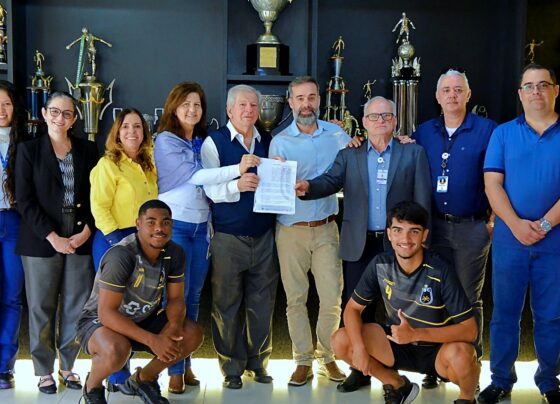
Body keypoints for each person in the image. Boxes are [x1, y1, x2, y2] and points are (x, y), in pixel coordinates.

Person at [296, 95, 431, 392]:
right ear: (364, 122)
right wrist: (307, 187)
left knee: (399, 310)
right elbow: (329, 181)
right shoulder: (350, 154)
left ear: (395, 120)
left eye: (386, 116)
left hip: (400, 246)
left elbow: (422, 201)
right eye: (373, 116)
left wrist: (421, 241)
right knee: (358, 309)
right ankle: (360, 370)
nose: (380, 121)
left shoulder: (413, 152)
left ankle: (397, 372)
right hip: (359, 244)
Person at [154, 82, 257, 393]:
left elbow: (210, 189)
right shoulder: (166, 140)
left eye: (197, 105)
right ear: (173, 107)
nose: (192, 110)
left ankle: (185, 362)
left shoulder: (201, 140)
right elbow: (197, 177)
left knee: (194, 299)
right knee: (175, 300)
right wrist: (237, 169)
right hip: (177, 228)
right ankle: (172, 369)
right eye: (185, 104)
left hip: (202, 229)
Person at [331, 201, 479, 404]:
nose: (405, 239)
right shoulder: (380, 264)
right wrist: (359, 348)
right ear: (389, 234)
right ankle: (398, 385)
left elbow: (470, 330)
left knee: (463, 355)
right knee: (341, 340)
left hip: (437, 349)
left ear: (424, 235)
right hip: (396, 344)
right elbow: (352, 309)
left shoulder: (440, 269)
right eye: (398, 230)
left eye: (414, 232)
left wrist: (415, 334)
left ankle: (467, 399)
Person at [480, 64, 560, 404]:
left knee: (551, 315)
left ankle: (549, 382)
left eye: (543, 85)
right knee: (504, 315)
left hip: (554, 241)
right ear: (520, 93)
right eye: (529, 86)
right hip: (509, 241)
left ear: (556, 90)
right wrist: (514, 224)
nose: (536, 91)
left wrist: (544, 225)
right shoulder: (503, 134)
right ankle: (500, 380)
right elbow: (492, 184)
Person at [412, 68, 497, 388]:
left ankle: (470, 368)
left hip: (472, 227)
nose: (452, 95)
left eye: (458, 89)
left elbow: (500, 177)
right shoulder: (424, 132)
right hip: (433, 228)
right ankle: (434, 365)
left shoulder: (488, 130)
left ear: (468, 95)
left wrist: (492, 221)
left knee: (468, 298)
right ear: (437, 96)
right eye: (446, 90)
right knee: (432, 296)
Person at [77, 200, 203, 404]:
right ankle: (93, 386)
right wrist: (153, 340)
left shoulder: (175, 252)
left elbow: (176, 299)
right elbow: (106, 313)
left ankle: (144, 379)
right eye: (151, 222)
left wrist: (174, 328)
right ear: (138, 224)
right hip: (101, 321)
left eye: (165, 222)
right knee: (117, 350)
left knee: (190, 334)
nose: (159, 228)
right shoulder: (122, 255)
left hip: (144, 317)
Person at [15, 91, 98, 394]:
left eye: (67, 113)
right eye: (54, 111)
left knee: (77, 304)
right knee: (41, 306)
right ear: (44, 113)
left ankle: (68, 366)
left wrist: (87, 230)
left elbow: (97, 193)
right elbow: (24, 200)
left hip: (79, 236)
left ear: (74, 119)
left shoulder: (89, 150)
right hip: (41, 239)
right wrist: (52, 237)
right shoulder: (29, 150)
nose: (60, 118)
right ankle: (43, 370)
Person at [269, 76, 350, 386]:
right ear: (290, 102)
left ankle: (327, 357)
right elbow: (272, 187)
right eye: (300, 98)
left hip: (327, 228)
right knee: (295, 299)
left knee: (332, 297)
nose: (306, 104)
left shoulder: (337, 135)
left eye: (311, 97)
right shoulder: (279, 142)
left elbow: (356, 159)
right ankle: (302, 359)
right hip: (291, 230)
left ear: (319, 100)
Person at [200, 84, 279, 389]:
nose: (249, 110)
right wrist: (237, 185)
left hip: (264, 235)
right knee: (226, 305)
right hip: (228, 238)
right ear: (229, 110)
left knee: (262, 304)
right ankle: (231, 367)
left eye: (253, 106)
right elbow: (208, 188)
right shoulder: (215, 142)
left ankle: (258, 363)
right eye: (242, 105)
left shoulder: (267, 141)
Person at [89, 108, 157, 394]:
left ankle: (128, 370)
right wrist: (118, 242)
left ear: (144, 132)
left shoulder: (148, 164)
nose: (132, 131)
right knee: (113, 308)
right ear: (117, 132)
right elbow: (99, 207)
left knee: (135, 306)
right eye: (126, 126)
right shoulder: (108, 164)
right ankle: (116, 376)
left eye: (137, 126)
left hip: (143, 242)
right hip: (113, 240)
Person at [0, 81, 27, 390]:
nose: (1, 109)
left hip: (16, 222)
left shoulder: (26, 143)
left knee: (12, 296)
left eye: (6, 103)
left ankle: (4, 367)